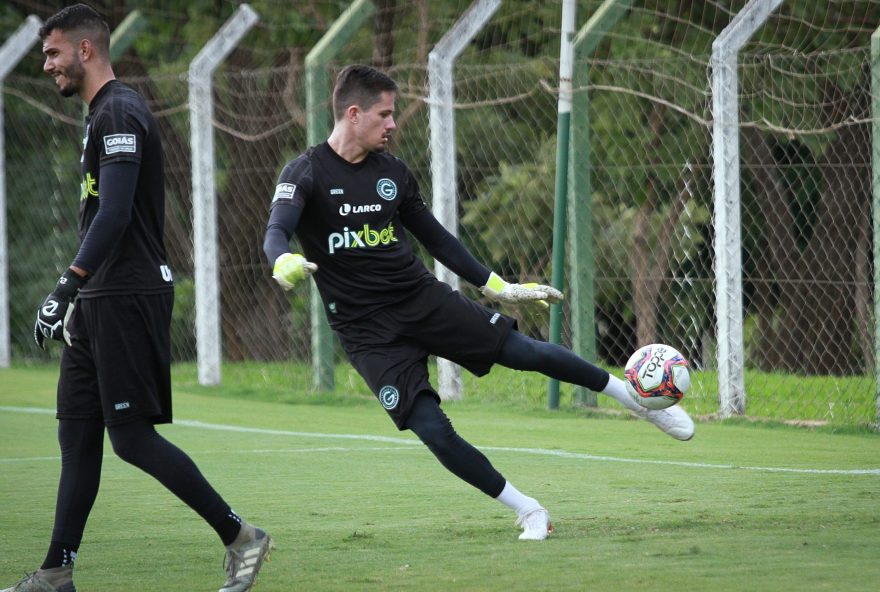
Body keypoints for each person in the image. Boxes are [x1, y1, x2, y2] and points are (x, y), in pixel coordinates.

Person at [262, 64, 695, 542]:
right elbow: (277, 230)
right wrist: (282, 259)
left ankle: (636, 400)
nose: (393, 124)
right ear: (353, 113)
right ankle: (529, 509)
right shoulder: (304, 172)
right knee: (434, 431)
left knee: (525, 352)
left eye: (394, 114)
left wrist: (498, 287)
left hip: (420, 300)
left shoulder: (394, 174)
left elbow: (438, 241)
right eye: (385, 114)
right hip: (367, 332)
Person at [3, 6, 271, 592]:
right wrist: (77, 293)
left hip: (127, 293)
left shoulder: (120, 109)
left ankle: (241, 536)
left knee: (130, 439)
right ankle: (55, 573)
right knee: (77, 436)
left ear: (86, 50)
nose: (46, 64)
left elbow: (117, 213)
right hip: (95, 299)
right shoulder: (99, 114)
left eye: (53, 53)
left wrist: (64, 285)